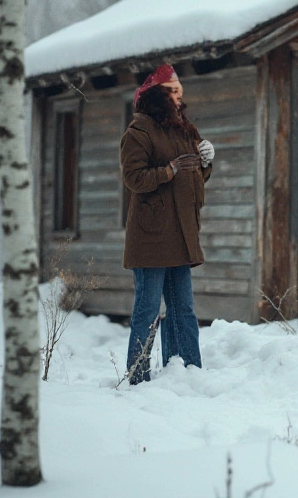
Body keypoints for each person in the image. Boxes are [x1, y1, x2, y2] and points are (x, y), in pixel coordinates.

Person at [120, 64, 215, 384]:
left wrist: (206, 161)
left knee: (183, 309)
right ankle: (137, 376)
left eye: (180, 92)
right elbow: (133, 178)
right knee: (148, 312)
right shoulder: (139, 132)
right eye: (173, 91)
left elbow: (195, 177)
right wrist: (168, 171)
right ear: (157, 93)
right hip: (151, 237)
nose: (178, 97)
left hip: (181, 231)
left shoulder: (184, 129)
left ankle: (187, 373)